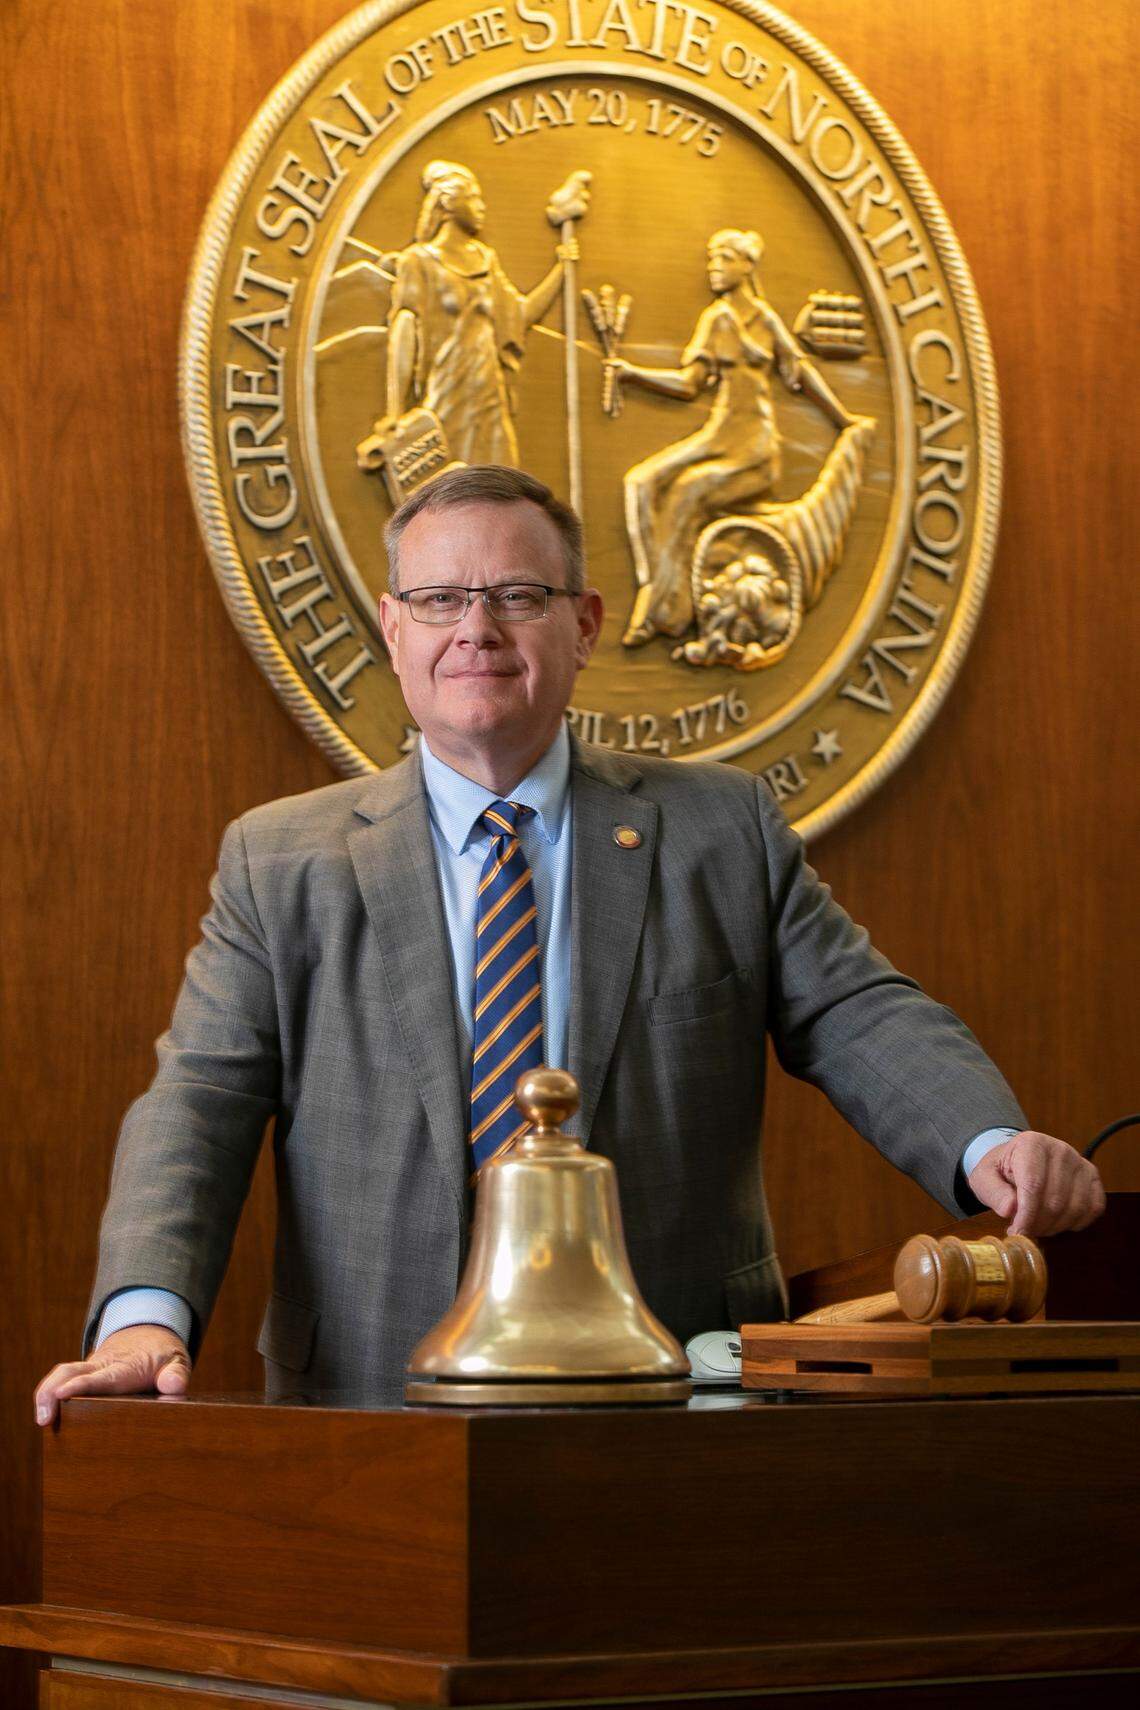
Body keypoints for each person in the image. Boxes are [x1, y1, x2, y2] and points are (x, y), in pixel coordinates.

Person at [35, 466, 1105, 1423]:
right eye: (441, 599)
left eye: (517, 596)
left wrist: (985, 1146)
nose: (478, 630)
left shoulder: (718, 830)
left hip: (675, 1397)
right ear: (392, 627)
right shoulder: (281, 862)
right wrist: (143, 1317)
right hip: (371, 1402)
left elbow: (855, 1010)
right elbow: (200, 1103)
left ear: (584, 624)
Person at [608, 228, 857, 648]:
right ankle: (656, 590)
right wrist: (633, 374)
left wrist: (842, 418)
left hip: (753, 450)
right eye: (711, 259)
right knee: (641, 482)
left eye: (723, 259)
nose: (713, 268)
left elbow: (800, 374)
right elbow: (690, 385)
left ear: (747, 265)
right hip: (718, 437)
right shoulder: (716, 318)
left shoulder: (764, 319)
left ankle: (667, 615)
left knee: (687, 493)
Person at [382, 160, 579, 465]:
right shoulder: (417, 261)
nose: (482, 206)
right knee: (450, 493)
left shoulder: (486, 260)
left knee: (504, 485)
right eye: (473, 197)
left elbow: (521, 315)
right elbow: (405, 328)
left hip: (490, 400)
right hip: (447, 397)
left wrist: (562, 269)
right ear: (448, 202)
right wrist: (395, 412)